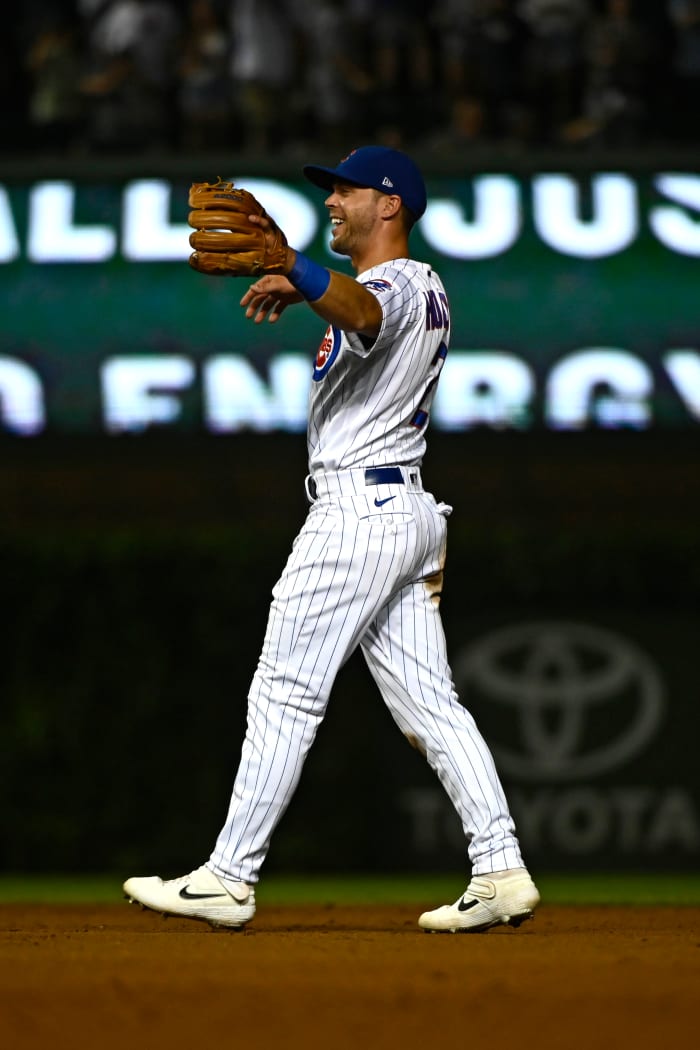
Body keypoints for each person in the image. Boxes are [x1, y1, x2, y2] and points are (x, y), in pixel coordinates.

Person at [123, 146, 540, 933]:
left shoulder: (406, 282)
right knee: (432, 706)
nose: (333, 200)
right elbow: (351, 306)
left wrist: (297, 267)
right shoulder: (384, 288)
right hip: (403, 514)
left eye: (347, 189)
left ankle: (228, 875)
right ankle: (500, 866)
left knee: (286, 687)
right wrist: (306, 285)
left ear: (391, 205)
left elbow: (365, 311)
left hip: (359, 513)